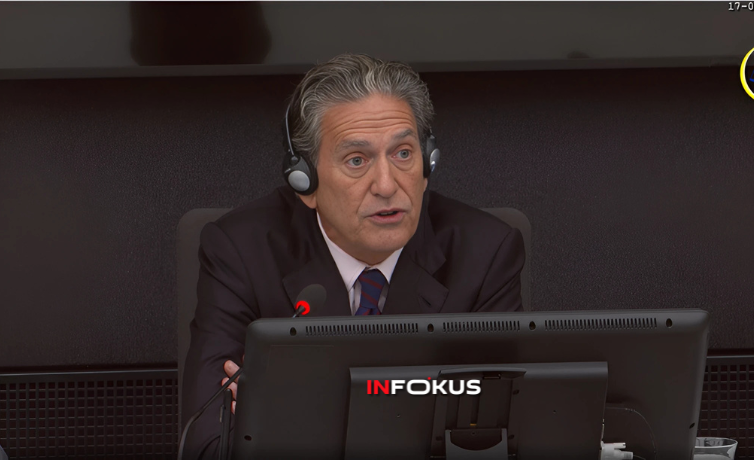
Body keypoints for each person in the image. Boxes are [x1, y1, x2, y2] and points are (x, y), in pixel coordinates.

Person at [181, 53, 525, 458]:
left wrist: (295, 418)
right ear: (304, 181)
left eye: (403, 153)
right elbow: (209, 445)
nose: (386, 185)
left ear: (427, 163)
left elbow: (494, 441)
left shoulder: (484, 253)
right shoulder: (241, 252)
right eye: (357, 160)